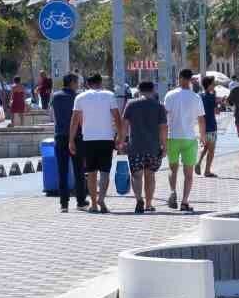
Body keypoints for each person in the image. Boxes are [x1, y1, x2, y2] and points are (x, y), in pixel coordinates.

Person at [70, 73, 123, 213]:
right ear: (101, 82)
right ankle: (102, 199)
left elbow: (74, 120)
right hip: (106, 139)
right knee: (105, 171)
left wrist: (71, 140)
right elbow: (117, 117)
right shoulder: (109, 95)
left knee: (91, 172)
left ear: (88, 84)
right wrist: (120, 136)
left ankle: (93, 203)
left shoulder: (80, 97)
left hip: (88, 140)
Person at [121, 80, 167, 213]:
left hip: (135, 146)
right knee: (150, 175)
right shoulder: (159, 106)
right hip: (153, 147)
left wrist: (122, 141)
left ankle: (138, 200)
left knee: (136, 175)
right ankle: (148, 204)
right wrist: (164, 146)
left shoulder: (131, 104)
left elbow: (124, 125)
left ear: (139, 90)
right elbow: (163, 128)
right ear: (153, 90)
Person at [164, 69, 203, 212]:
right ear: (190, 79)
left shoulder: (170, 95)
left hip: (172, 137)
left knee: (173, 169)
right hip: (189, 138)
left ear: (179, 78)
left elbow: (164, 117)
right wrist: (203, 136)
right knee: (189, 174)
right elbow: (201, 119)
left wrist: (161, 138)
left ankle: (173, 191)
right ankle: (185, 202)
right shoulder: (196, 97)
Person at [50, 73, 88, 212]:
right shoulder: (77, 97)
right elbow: (81, 117)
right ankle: (81, 201)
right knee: (79, 170)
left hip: (60, 136)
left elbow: (53, 115)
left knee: (62, 170)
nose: (78, 84)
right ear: (72, 82)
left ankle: (64, 204)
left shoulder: (55, 96)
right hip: (76, 137)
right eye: (77, 82)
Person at [198, 75, 220, 178]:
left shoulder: (199, 96)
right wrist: (217, 102)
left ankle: (198, 162)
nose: (214, 85)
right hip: (211, 125)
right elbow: (216, 111)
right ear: (209, 85)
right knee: (211, 150)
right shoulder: (211, 96)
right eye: (213, 83)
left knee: (206, 146)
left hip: (202, 126)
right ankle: (207, 170)